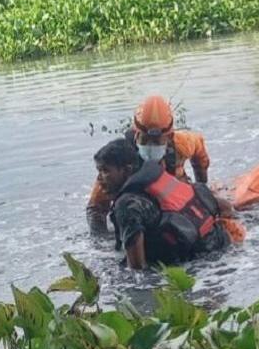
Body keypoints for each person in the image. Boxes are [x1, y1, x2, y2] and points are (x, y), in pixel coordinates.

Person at [94, 138, 235, 270]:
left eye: (105, 170)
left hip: (197, 265)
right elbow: (227, 207)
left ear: (127, 170)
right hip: (223, 245)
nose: (99, 178)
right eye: (99, 171)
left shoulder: (126, 205)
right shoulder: (158, 177)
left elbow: (137, 269)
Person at [87, 95, 210, 235]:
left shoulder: (182, 144)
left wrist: (203, 183)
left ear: (169, 137)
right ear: (136, 134)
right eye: (145, 140)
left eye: (157, 142)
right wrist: (102, 244)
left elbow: (199, 149)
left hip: (176, 203)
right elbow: (96, 208)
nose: (150, 146)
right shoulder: (120, 160)